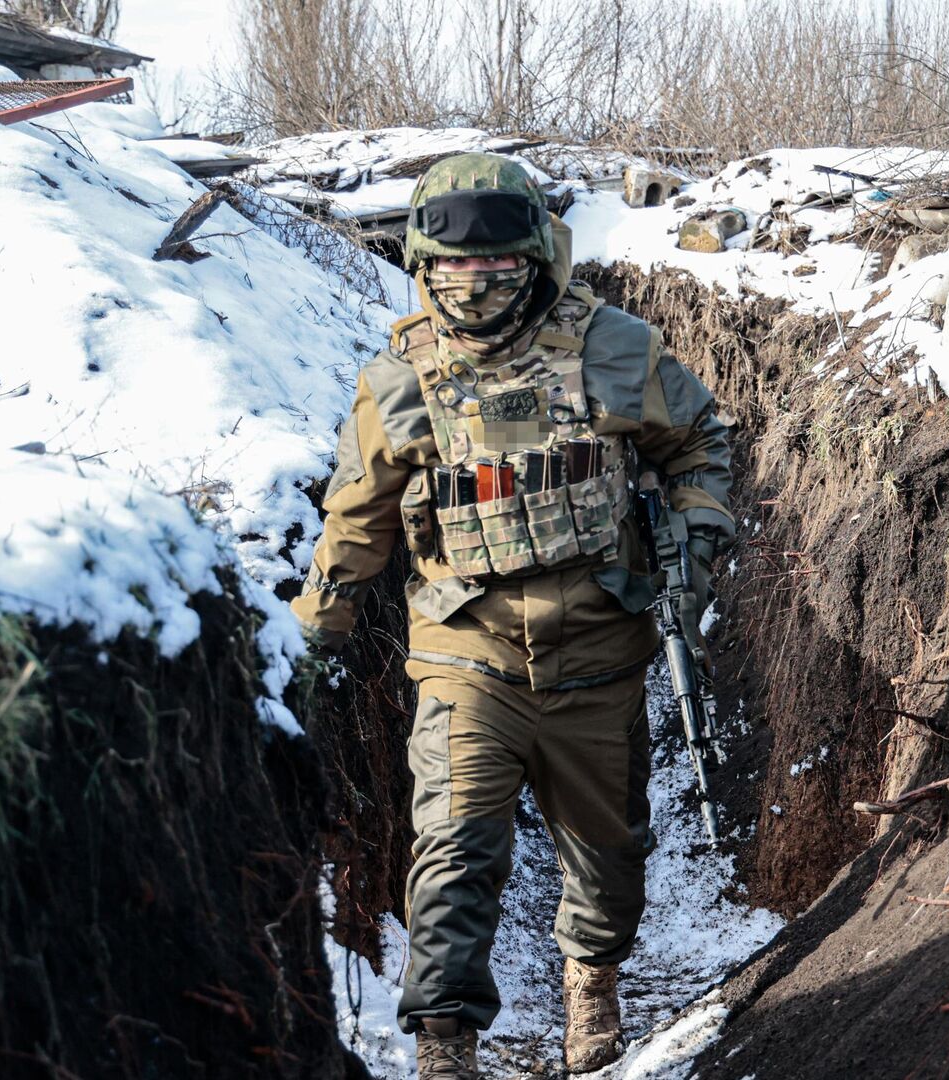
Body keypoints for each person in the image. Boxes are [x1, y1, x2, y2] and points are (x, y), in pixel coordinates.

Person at [289, 152, 733, 1079]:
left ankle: (591, 983)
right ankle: (444, 1041)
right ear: (422, 268)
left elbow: (697, 440)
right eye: (455, 272)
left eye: (496, 271)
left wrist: (697, 534)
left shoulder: (614, 349)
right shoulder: (400, 383)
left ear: (538, 257)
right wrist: (306, 643)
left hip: (598, 650)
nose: (475, 288)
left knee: (609, 854)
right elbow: (357, 524)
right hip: (464, 652)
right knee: (453, 846)